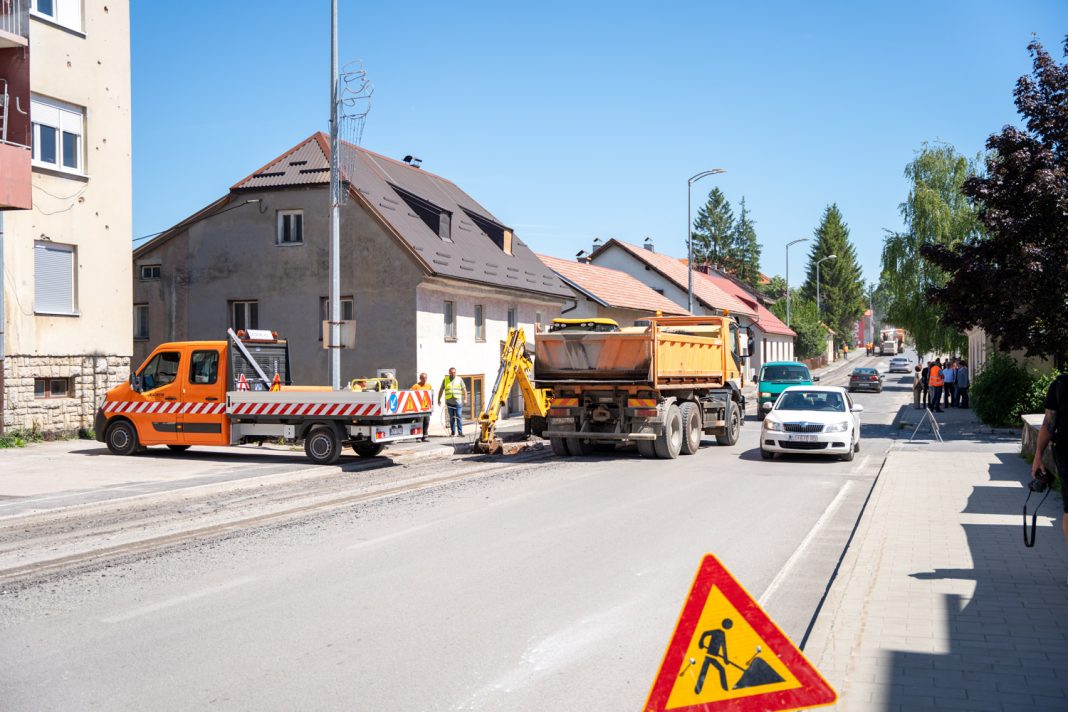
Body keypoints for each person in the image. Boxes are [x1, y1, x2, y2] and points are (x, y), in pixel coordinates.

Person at [1030, 372, 1068, 582]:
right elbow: (1048, 423)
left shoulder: (1061, 384)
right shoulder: (1060, 384)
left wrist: (1038, 456)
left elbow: (1048, 423)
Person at [695, 619, 734, 695]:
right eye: (728, 625)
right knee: (706, 672)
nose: (729, 626)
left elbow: (724, 647)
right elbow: (705, 633)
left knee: (716, 670)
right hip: (709, 656)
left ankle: (725, 690)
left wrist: (725, 659)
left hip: (712, 657)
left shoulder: (722, 634)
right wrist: (701, 642)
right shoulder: (717, 631)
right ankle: (698, 690)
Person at [438, 367, 467, 437]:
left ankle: (460, 432)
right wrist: (438, 399)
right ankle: (453, 432)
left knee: (459, 416)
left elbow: (464, 389)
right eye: (451, 372)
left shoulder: (459, 379)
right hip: (449, 402)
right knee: (452, 417)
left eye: (454, 372)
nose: (453, 374)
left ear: (455, 372)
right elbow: (441, 390)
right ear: (449, 373)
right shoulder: (445, 380)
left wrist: (465, 399)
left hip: (458, 402)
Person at [410, 372, 433, 442]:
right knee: (419, 422)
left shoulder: (429, 386)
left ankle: (425, 436)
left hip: (426, 407)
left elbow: (431, 395)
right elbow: (410, 394)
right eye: (423, 378)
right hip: (419, 408)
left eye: (425, 378)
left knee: (426, 421)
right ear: (420, 378)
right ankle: (418, 437)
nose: (424, 379)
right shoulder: (416, 386)